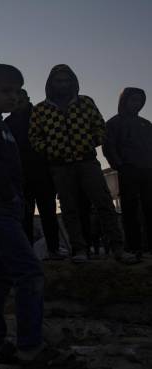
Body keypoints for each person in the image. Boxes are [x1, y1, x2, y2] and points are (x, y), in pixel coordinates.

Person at [0, 64, 78, 369]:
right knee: (30, 272)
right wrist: (10, 195)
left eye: (17, 91)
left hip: (4, 206)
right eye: (5, 91)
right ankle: (30, 347)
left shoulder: (1, 125)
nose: (13, 97)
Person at [30, 64, 135, 264]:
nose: (62, 84)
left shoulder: (85, 102)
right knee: (69, 208)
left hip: (87, 161)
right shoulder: (41, 109)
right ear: (51, 83)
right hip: (59, 166)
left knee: (103, 203)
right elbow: (34, 137)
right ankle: (79, 250)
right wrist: (50, 149)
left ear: (73, 82)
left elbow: (100, 127)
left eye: (66, 80)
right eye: (58, 80)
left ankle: (118, 248)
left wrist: (89, 142)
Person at [4, 89, 63, 260]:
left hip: (43, 174)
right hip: (20, 177)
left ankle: (54, 249)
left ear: (27, 98)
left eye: (20, 98)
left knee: (48, 213)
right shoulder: (7, 123)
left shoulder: (41, 116)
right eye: (14, 99)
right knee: (24, 218)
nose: (17, 101)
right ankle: (26, 253)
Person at [104, 88, 152, 260]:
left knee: (149, 207)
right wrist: (120, 165)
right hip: (128, 171)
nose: (136, 104)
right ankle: (133, 246)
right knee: (130, 209)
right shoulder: (114, 123)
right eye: (133, 100)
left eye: (140, 100)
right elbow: (109, 147)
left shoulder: (146, 124)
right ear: (124, 101)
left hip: (148, 171)